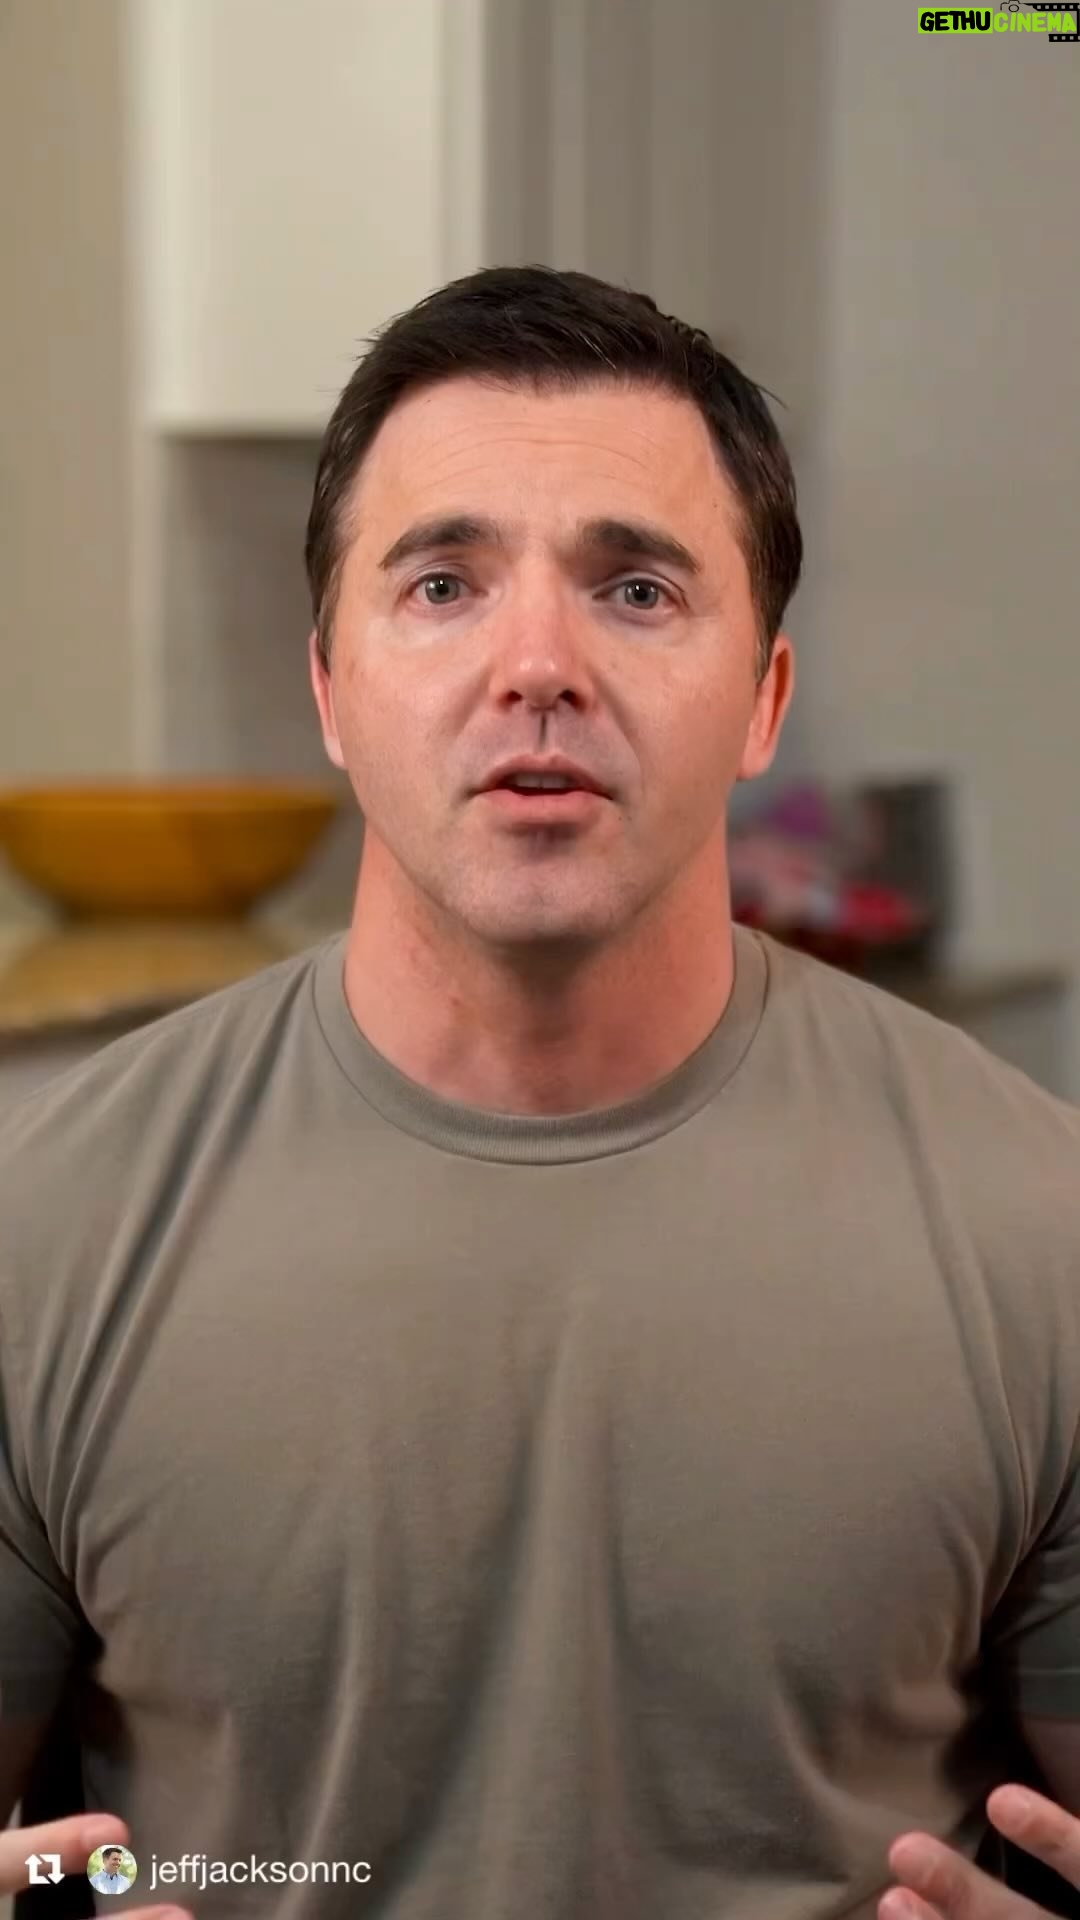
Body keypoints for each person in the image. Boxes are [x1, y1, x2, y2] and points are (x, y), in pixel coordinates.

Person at [1, 265, 1079, 1920]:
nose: (537, 666)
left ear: (765, 701)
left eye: (635, 590)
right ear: (328, 690)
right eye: (443, 584)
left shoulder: (1038, 1228)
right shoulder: (50, 1225)